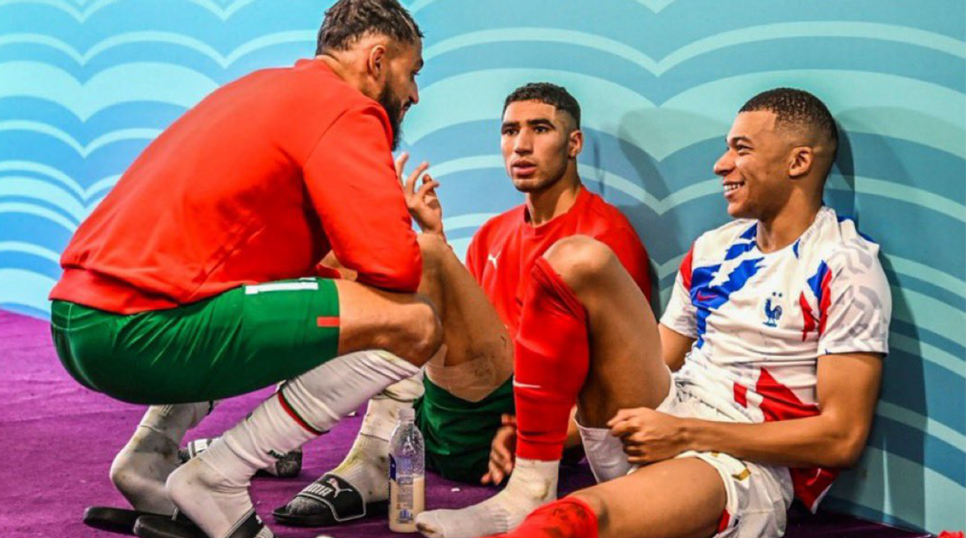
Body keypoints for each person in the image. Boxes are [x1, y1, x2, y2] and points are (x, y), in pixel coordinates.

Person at [415, 88, 891, 538]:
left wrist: (684, 432)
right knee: (577, 258)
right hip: (665, 420)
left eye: (741, 149)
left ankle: (540, 501)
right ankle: (530, 483)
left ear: (799, 162)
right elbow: (658, 360)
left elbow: (842, 438)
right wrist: (547, 439)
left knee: (566, 522)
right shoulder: (714, 248)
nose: (721, 164)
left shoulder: (845, 265)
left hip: (740, 466)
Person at [48, 2, 442, 538]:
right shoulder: (346, 108)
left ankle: (149, 459)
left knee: (287, 292)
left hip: (79, 321)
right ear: (377, 61)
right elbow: (393, 266)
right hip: (136, 332)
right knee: (413, 323)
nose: (414, 94)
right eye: (412, 72)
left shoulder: (259, 87)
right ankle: (219, 475)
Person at [276, 83, 652, 526]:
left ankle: (368, 457)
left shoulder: (603, 239)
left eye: (540, 129)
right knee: (336, 251)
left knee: (422, 255)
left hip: (508, 430)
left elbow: (619, 381)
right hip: (434, 423)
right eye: (510, 131)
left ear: (574, 143)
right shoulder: (494, 232)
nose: (521, 145)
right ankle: (276, 438)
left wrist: (540, 440)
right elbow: (465, 339)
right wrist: (434, 237)